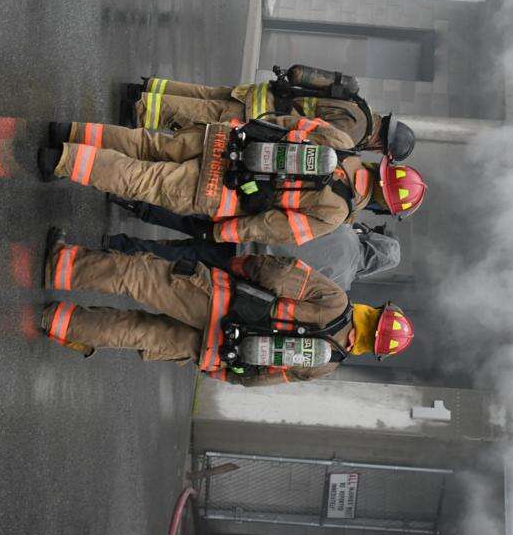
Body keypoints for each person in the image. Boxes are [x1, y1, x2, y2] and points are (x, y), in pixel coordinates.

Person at [40, 228, 415, 385]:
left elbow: (278, 273)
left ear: (375, 315)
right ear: (372, 347)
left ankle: (62, 266)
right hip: (216, 350)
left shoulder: (337, 302)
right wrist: (215, 369)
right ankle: (58, 321)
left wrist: (239, 266)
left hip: (215, 299)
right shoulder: (326, 365)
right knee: (134, 330)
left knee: (138, 276)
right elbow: (260, 378)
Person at [36, 120, 427, 246]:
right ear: (382, 205)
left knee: (148, 143)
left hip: (227, 140)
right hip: (218, 189)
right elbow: (272, 227)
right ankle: (62, 159)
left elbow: (284, 122)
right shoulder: (335, 212)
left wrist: (239, 130)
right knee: (143, 179)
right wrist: (223, 233)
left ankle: (70, 132)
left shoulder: (342, 143)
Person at [124, 66, 415, 160]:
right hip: (264, 113)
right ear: (381, 144)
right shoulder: (353, 133)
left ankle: (149, 88)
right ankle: (140, 107)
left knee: (206, 94)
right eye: (381, 152)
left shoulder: (360, 105)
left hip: (269, 93)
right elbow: (305, 137)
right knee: (203, 112)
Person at [104, 207, 402, 290]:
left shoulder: (343, 226)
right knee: (185, 255)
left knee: (190, 222)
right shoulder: (341, 284)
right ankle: (119, 245)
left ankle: (134, 204)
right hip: (248, 263)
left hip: (250, 229)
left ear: (374, 241)